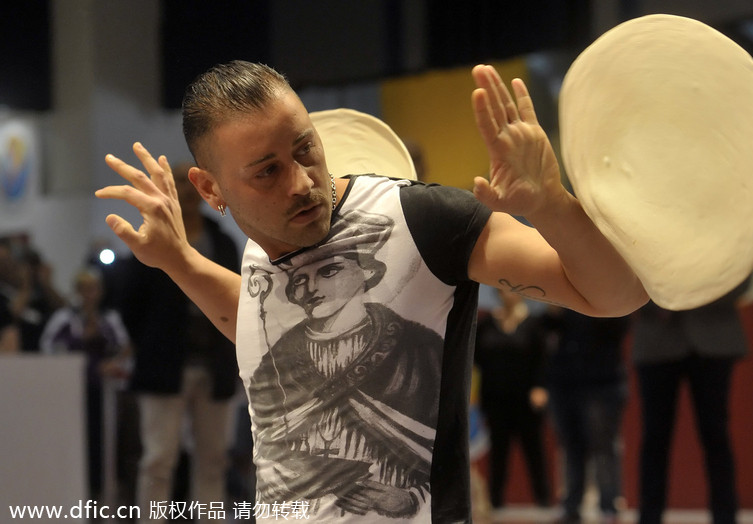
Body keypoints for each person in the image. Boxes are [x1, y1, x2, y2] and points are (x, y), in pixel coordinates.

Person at [96, 60, 647, 522]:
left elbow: (615, 296)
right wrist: (179, 262)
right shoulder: (261, 247)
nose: (302, 182)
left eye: (305, 148)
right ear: (212, 189)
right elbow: (255, 326)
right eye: (266, 172)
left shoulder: (422, 219)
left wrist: (550, 203)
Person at [108, 162, 240, 523]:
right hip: (164, 362)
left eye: (188, 180)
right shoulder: (152, 236)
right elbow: (129, 301)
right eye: (177, 180)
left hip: (215, 363)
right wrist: (149, 343)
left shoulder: (223, 240)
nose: (183, 187)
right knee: (158, 458)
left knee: (213, 457)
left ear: (202, 186)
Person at [631, 276, 752, 524]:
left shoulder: (727, 235)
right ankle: (649, 517)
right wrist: (661, 301)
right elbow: (628, 274)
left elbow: (743, 271)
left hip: (714, 339)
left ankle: (725, 517)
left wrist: (689, 296)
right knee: (655, 437)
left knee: (716, 436)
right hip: (657, 339)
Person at [39, 266, 132, 498]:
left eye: (94, 289)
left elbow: (124, 349)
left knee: (105, 446)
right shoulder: (65, 319)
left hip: (104, 393)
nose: (90, 294)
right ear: (77, 291)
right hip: (71, 394)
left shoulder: (110, 320)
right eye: (85, 289)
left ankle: (104, 493)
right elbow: (48, 349)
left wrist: (112, 364)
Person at [545, 307, 630, 524]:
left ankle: (609, 506)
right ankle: (571, 506)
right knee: (571, 447)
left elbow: (619, 327)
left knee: (603, 446)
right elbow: (547, 330)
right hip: (564, 380)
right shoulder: (563, 291)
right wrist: (552, 313)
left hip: (602, 382)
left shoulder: (612, 293)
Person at [474, 287, 550, 508]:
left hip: (527, 399)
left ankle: (543, 500)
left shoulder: (534, 324)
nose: (507, 294)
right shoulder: (487, 324)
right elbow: (476, 358)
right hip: (495, 397)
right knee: (498, 452)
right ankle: (495, 501)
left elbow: (543, 359)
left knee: (534, 450)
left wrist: (540, 387)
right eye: (502, 290)